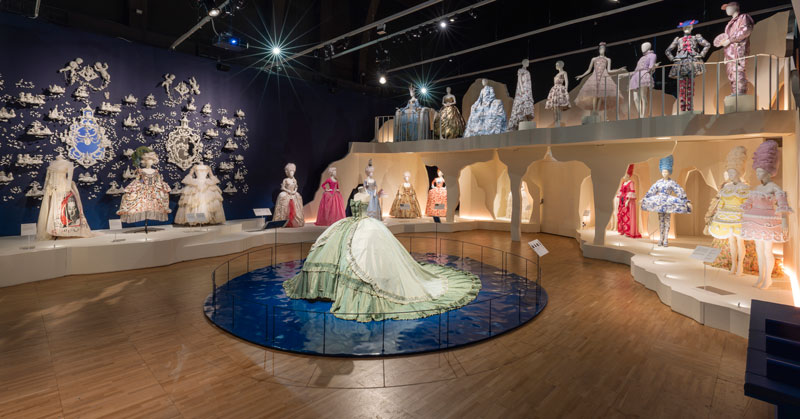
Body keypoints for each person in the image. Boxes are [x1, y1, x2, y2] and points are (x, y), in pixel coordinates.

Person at [283, 187, 481, 322]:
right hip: (348, 225)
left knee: (366, 257)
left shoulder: (365, 196)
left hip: (366, 227)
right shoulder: (357, 193)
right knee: (330, 250)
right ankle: (326, 290)